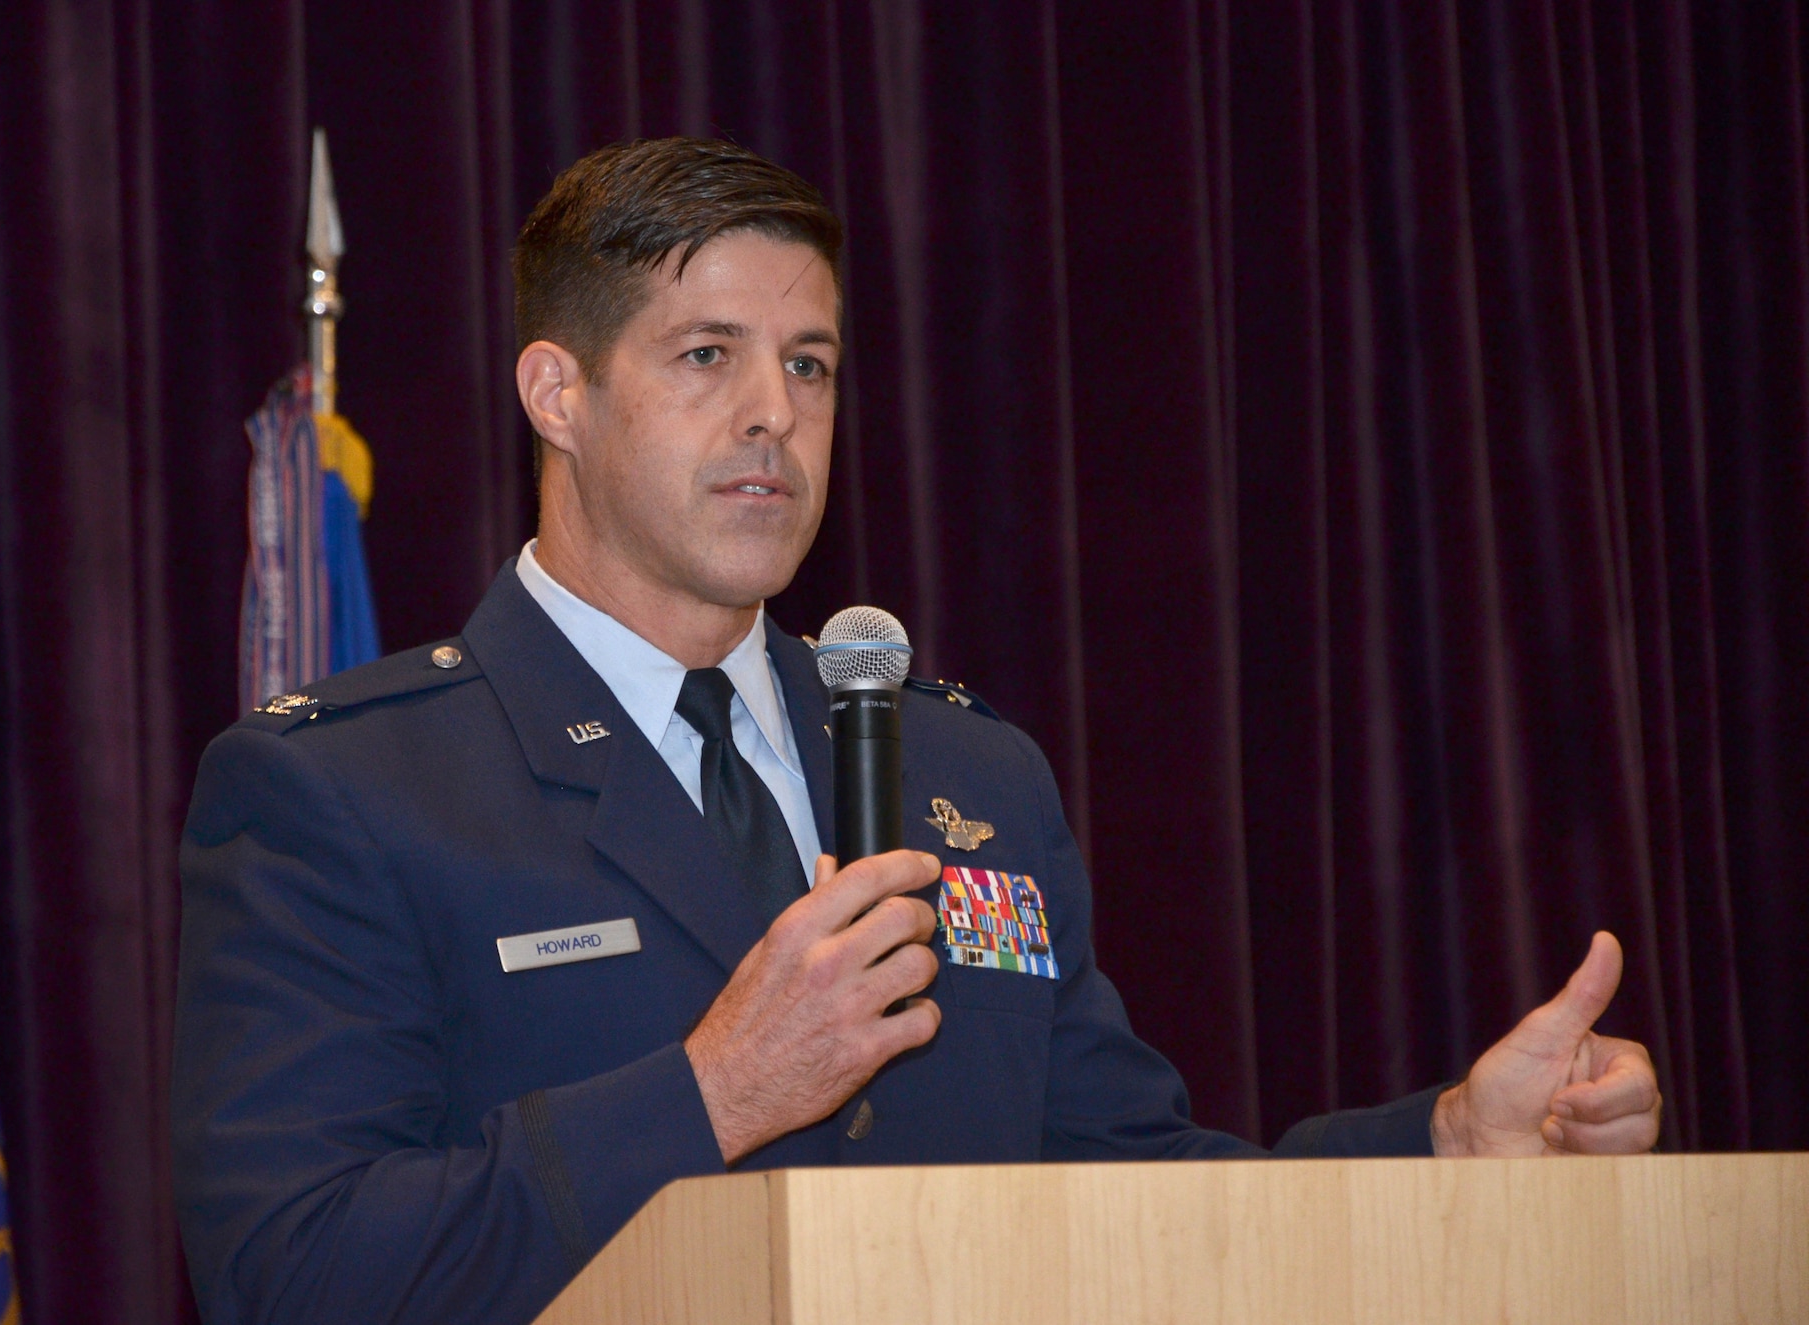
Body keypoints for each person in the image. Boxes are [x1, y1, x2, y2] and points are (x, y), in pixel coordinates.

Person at [171, 137, 1661, 1325]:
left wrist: (1450, 1148)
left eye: (809, 364)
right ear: (558, 391)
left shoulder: (961, 771)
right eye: (707, 356)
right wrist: (711, 1094)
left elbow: (1128, 1188)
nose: (775, 415)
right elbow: (295, 1273)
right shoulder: (343, 787)